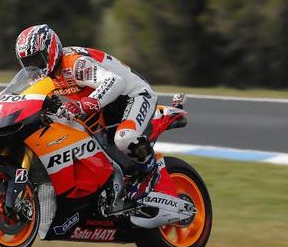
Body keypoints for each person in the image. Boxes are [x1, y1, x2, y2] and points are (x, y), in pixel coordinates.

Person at [15, 24, 171, 201]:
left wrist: (86, 104)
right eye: (28, 63)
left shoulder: (75, 63)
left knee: (124, 138)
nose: (34, 67)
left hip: (134, 94)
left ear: (51, 51)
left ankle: (150, 172)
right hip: (108, 104)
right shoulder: (47, 76)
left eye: (37, 60)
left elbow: (115, 82)